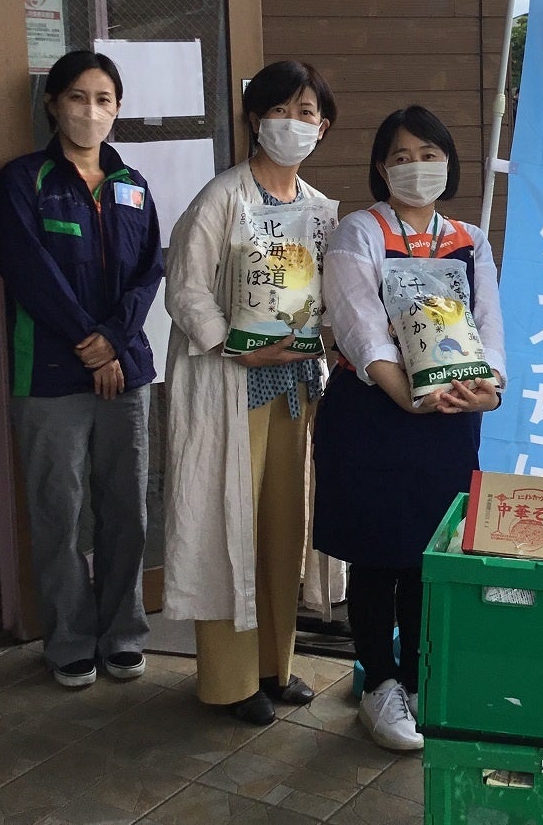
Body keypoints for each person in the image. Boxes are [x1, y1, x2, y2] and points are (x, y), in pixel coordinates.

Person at [312, 105, 505, 753]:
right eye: (399, 155)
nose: (414, 166)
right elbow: (357, 319)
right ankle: (379, 685)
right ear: (379, 166)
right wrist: (405, 392)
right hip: (375, 411)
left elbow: (488, 321)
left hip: (450, 416)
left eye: (428, 152)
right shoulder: (358, 231)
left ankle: (422, 677)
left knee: (431, 553)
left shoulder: (470, 238)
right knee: (376, 552)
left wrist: (490, 385)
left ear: (448, 162)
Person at [161, 60, 337, 726]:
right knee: (228, 525)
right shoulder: (222, 198)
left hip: (294, 390)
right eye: (281, 109)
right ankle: (230, 680)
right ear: (254, 118)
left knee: (282, 531)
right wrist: (238, 343)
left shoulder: (319, 211)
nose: (294, 124)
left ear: (323, 126)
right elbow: (186, 288)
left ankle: (275, 664)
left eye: (307, 111)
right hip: (231, 388)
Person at [0, 49, 163, 689]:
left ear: (117, 110)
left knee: (126, 510)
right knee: (58, 510)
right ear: (53, 104)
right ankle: (67, 640)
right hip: (51, 377)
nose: (91, 112)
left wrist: (113, 344)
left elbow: (149, 275)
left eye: (104, 100)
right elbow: (28, 270)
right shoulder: (22, 181)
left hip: (126, 372)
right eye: (79, 98)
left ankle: (122, 634)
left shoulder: (133, 185)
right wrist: (88, 344)